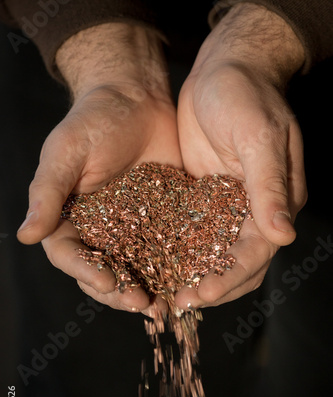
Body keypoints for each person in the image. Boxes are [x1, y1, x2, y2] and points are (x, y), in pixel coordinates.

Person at [1, 2, 333, 397]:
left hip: (307, 49)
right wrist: (107, 64)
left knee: (319, 391)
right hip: (71, 54)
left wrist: (263, 37)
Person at [4, 0, 331, 315]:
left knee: (309, 314)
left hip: (303, 44)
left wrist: (257, 43)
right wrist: (105, 63)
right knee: (87, 343)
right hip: (66, 37)